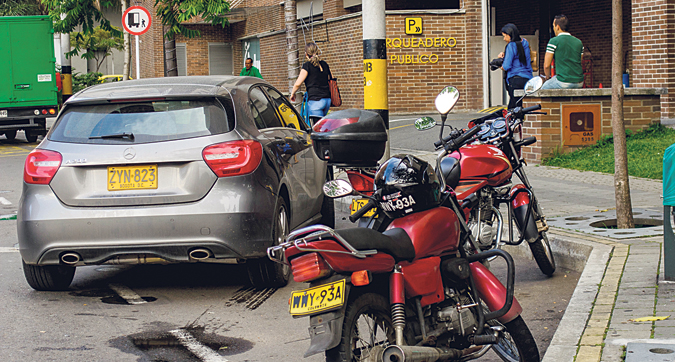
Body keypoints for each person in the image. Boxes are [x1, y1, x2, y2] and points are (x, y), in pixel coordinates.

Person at [290, 42, 333, 123]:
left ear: (306, 54)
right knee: (323, 127)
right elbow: (332, 78)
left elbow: (298, 83)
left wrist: (293, 93)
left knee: (317, 129)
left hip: (315, 101)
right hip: (327, 100)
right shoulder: (324, 64)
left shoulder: (307, 66)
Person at [542, 14, 584, 89]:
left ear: (557, 27)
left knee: (543, 89)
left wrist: (547, 77)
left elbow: (546, 65)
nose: (553, 28)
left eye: (553, 26)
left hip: (563, 81)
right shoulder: (579, 42)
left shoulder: (554, 41)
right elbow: (579, 61)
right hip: (579, 82)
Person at [498, 23, 533, 109]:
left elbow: (506, 66)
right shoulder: (525, 43)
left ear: (509, 35)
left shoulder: (511, 45)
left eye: (505, 36)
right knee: (522, 106)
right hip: (527, 79)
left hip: (515, 80)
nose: (504, 39)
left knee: (513, 108)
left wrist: (499, 65)